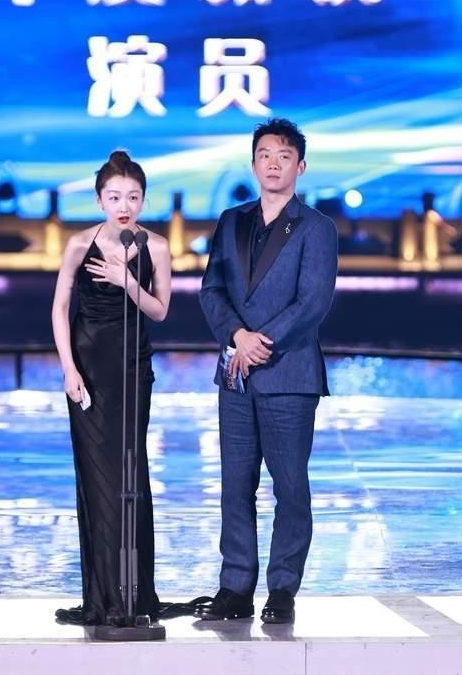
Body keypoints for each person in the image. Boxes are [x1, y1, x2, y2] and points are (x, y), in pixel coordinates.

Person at [196, 118, 338, 624]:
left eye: (284, 156)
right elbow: (212, 290)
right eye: (264, 155)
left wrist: (260, 343)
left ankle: (282, 590)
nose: (273, 164)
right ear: (253, 163)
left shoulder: (317, 228)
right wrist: (238, 336)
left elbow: (312, 302)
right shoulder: (231, 221)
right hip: (235, 373)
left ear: (300, 166)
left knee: (290, 487)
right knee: (235, 485)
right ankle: (235, 588)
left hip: (289, 376)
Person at [51, 150, 171, 626]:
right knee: (95, 477)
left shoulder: (155, 246)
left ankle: (133, 596)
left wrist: (127, 281)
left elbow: (160, 310)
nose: (125, 205)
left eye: (133, 197)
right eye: (115, 197)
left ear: (143, 200)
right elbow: (60, 308)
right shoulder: (80, 244)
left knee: (129, 474)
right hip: (88, 369)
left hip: (131, 368)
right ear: (100, 199)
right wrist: (68, 369)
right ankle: (100, 598)